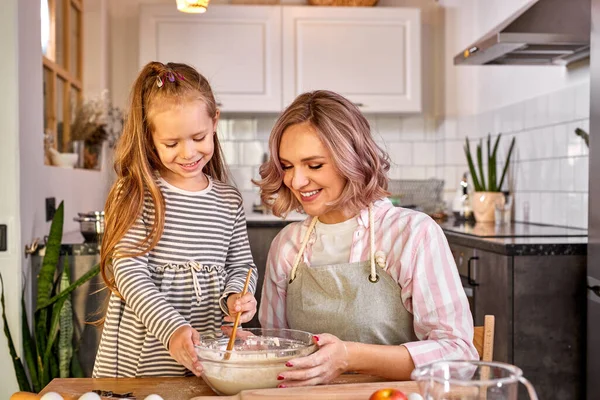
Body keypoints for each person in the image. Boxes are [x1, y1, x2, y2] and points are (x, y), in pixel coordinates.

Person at [256, 90, 478, 387]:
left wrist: (349, 356)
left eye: (314, 165)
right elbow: (278, 351)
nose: (296, 181)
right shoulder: (287, 245)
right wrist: (254, 349)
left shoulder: (411, 234)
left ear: (352, 159)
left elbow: (459, 356)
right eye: (287, 166)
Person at [93, 62, 258, 378]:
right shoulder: (135, 194)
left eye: (198, 137)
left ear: (214, 122)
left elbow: (242, 266)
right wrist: (172, 329)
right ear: (150, 138)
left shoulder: (229, 200)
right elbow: (129, 273)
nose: (188, 153)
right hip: (140, 364)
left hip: (202, 358)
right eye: (171, 143)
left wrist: (238, 296)